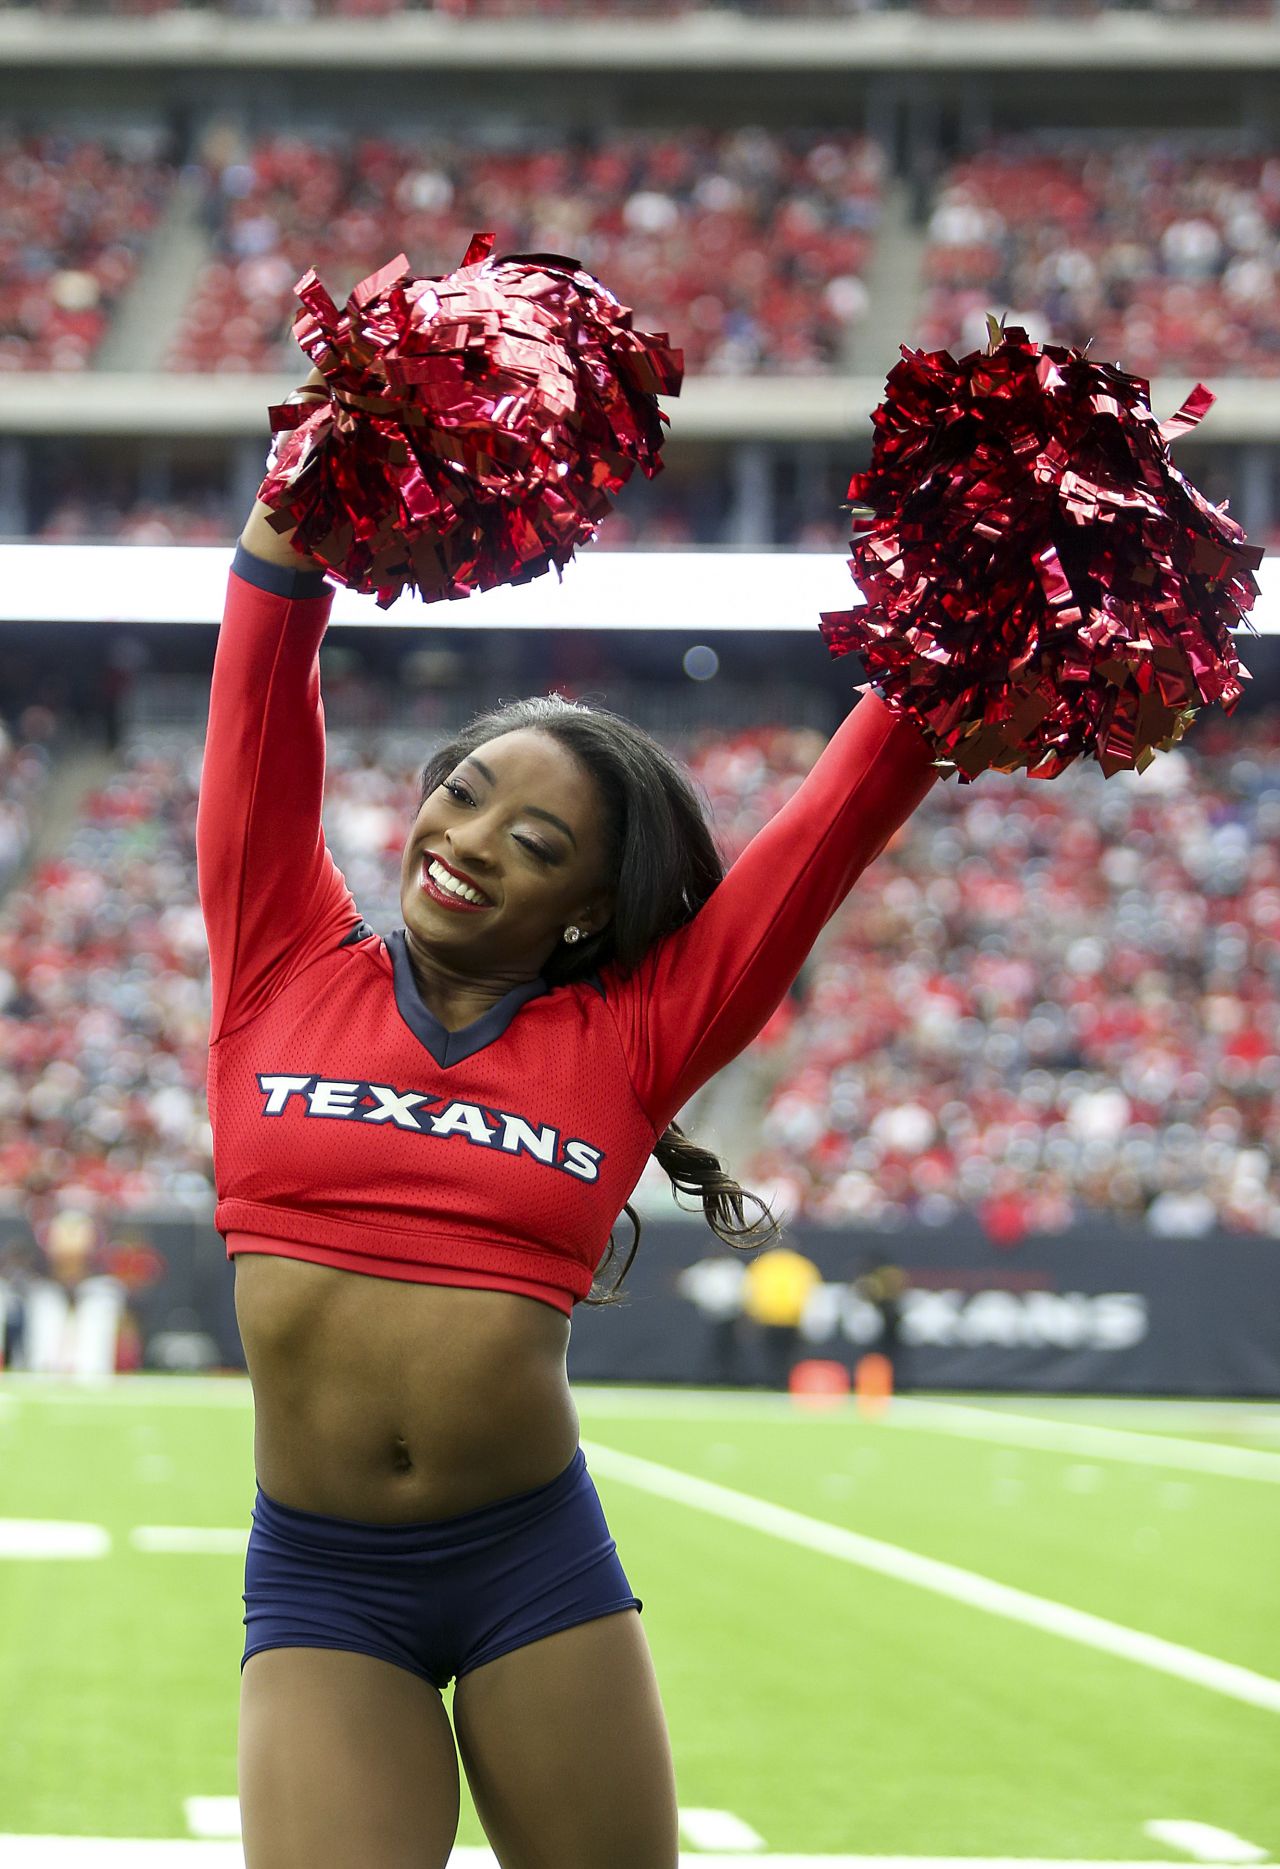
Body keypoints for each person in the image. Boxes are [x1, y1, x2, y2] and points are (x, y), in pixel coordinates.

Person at [200, 429, 940, 1868]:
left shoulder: (635, 1037)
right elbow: (258, 690)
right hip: (325, 1571)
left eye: (537, 844)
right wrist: (310, 486)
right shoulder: (280, 957)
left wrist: (963, 625)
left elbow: (829, 831)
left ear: (590, 912)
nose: (467, 840)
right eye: (467, 790)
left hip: (531, 1562)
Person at [741, 1243, 823, 1389]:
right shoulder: (801, 1265)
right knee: (786, 1356)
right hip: (790, 1319)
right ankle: (783, 1383)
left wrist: (752, 1316)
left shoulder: (764, 1263)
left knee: (774, 1355)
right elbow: (812, 1294)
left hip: (773, 1319)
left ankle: (775, 1383)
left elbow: (751, 1291)